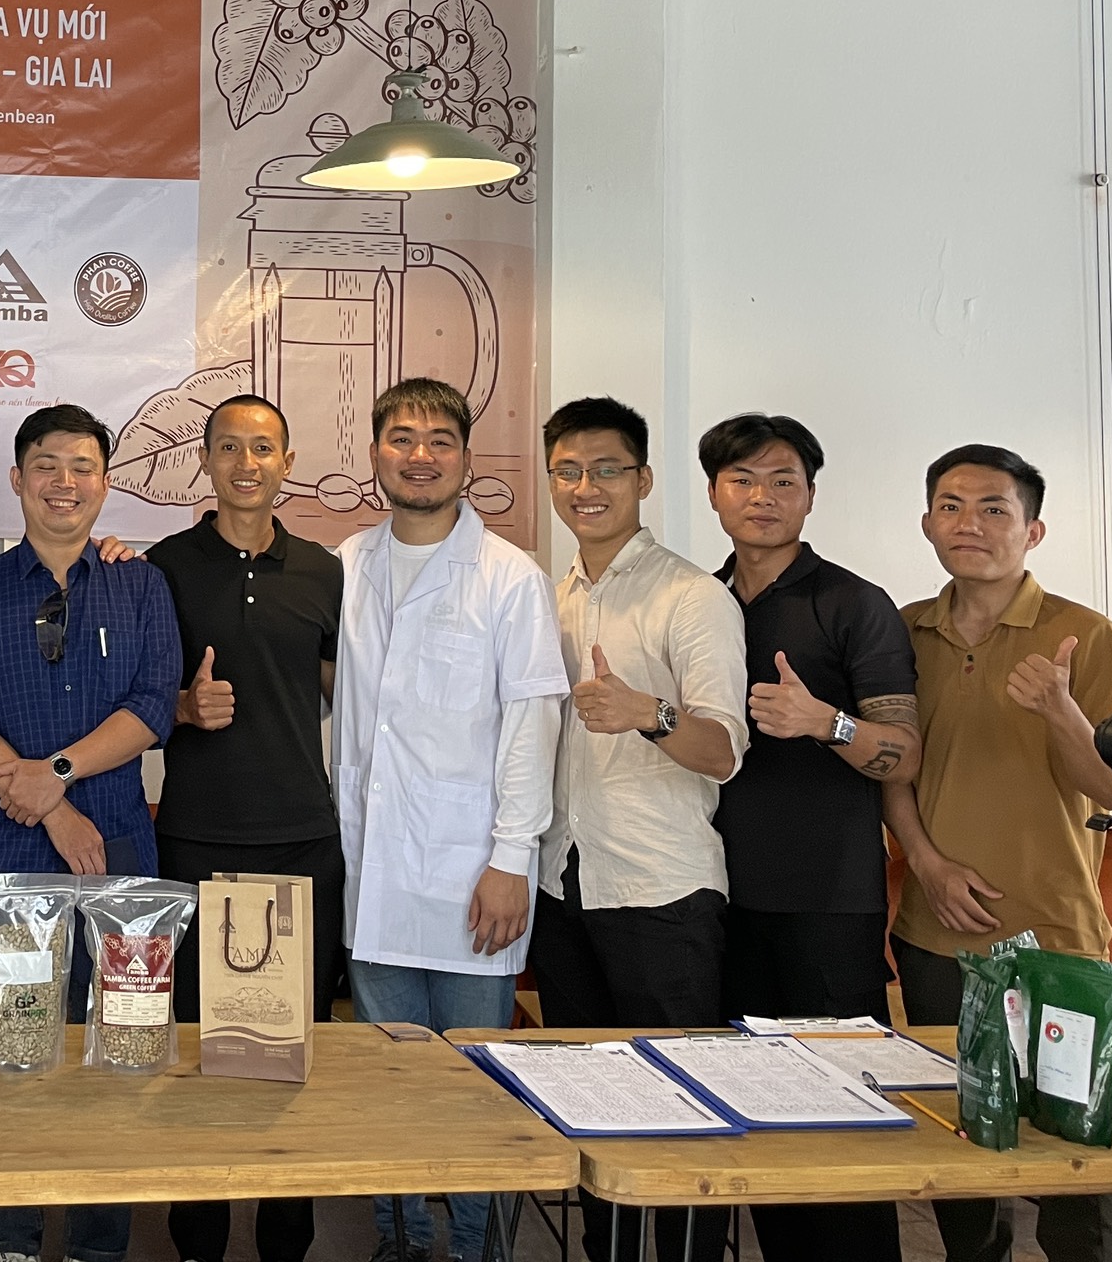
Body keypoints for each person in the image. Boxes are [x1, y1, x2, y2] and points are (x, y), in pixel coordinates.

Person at [0, 403, 181, 1262]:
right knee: (13, 1051)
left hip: (119, 855)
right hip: (3, 855)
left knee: (118, 1052)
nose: (63, 483)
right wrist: (52, 804)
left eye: (82, 467)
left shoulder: (141, 586)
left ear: (105, 483)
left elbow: (152, 708)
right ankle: (10, 1237)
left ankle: (98, 1243)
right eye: (46, 465)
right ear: (17, 479)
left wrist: (60, 773)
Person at [885, 444, 1112, 1262]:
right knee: (963, 1149)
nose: (970, 524)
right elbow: (892, 770)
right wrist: (926, 864)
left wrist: (1061, 709)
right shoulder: (903, 631)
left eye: (994, 508)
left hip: (1055, 932)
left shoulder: (1085, 634)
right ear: (927, 523)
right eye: (951, 506)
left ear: (1033, 530)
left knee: (1074, 1152)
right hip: (936, 932)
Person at [335, 379, 564, 1262]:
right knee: (389, 1076)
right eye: (401, 437)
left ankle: (477, 1246)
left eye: (439, 439)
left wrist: (512, 857)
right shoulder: (346, 564)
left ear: (467, 457)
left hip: (476, 870)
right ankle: (400, 1236)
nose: (419, 454)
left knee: (479, 1080)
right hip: (375, 872)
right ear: (375, 454)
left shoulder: (509, 576)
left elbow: (532, 722)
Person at [530, 396, 745, 1262]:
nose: (586, 487)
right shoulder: (550, 598)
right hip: (564, 886)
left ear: (644, 480)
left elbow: (723, 750)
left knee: (684, 1114)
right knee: (596, 1112)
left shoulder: (692, 596)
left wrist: (646, 712)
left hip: (661, 891)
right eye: (568, 471)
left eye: (606, 469)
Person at [698, 412, 917, 1262]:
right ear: (714, 494)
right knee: (757, 1122)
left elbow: (904, 753)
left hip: (828, 904)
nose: (763, 497)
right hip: (718, 899)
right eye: (743, 480)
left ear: (811, 496)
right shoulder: (699, 600)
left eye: (783, 480)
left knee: (845, 1123)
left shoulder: (854, 603)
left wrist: (827, 723)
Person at [146, 394, 344, 1262]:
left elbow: (349, 692)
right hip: (196, 840)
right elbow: (135, 702)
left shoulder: (326, 572)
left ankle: (285, 1239)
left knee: (291, 1055)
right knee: (198, 1053)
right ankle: (197, 1239)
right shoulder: (161, 568)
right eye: (228, 447)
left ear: (287, 462)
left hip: (302, 839)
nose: (246, 463)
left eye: (263, 448)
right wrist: (183, 708)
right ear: (205, 461)